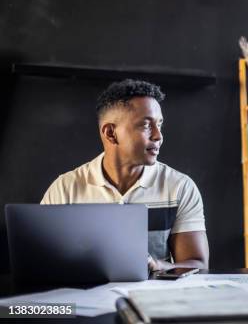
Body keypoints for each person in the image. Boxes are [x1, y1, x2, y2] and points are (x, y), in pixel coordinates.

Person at [41, 79, 209, 272]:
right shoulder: (65, 189)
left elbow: (199, 266)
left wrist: (157, 265)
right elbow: (42, 264)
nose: (158, 136)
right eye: (146, 126)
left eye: (159, 125)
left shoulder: (180, 187)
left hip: (153, 301)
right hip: (83, 299)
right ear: (111, 133)